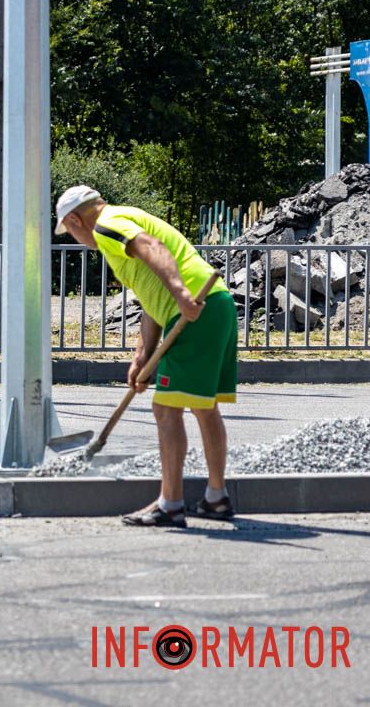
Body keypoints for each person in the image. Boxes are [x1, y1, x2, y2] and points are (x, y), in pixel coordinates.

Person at [55, 185, 238, 527]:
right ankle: (216, 498)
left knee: (165, 409)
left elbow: (152, 247)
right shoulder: (125, 217)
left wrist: (181, 293)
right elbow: (151, 301)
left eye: (69, 232)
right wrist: (142, 357)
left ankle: (170, 505)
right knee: (203, 406)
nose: (75, 240)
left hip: (194, 308)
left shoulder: (106, 225)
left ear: (75, 220)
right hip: (216, 304)